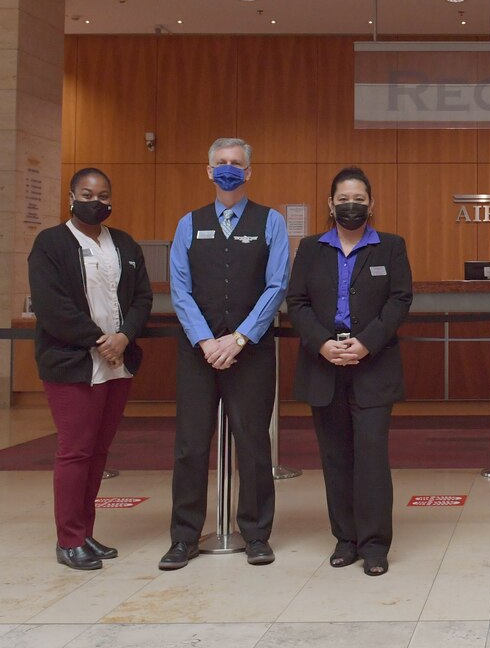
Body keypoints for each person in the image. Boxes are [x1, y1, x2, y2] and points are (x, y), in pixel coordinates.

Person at [160, 138, 290, 570]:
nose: (229, 169)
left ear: (249, 172)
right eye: (222, 163)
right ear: (209, 170)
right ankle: (183, 537)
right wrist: (205, 341)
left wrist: (237, 339)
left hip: (250, 352)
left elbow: (276, 287)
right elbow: (180, 289)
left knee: (253, 444)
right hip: (198, 352)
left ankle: (255, 534)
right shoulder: (187, 224)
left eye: (236, 164)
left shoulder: (270, 222)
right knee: (191, 445)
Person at [286, 167, 412, 576]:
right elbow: (297, 302)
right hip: (324, 365)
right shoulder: (309, 248)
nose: (351, 206)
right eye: (343, 200)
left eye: (358, 199)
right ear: (330, 204)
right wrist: (323, 343)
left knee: (371, 457)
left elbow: (399, 299)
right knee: (336, 457)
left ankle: (375, 544)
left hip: (373, 365)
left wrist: (366, 342)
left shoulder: (391, 246)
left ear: (371, 203)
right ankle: (345, 539)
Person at [28, 168, 152, 570]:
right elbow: (52, 306)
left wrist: (124, 336)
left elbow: (142, 299)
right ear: (71, 196)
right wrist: (101, 341)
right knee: (75, 451)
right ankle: (69, 540)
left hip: (118, 363)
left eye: (103, 194)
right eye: (87, 193)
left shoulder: (126, 244)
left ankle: (86, 533)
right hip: (74, 363)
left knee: (98, 452)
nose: (95, 201)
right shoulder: (50, 243)